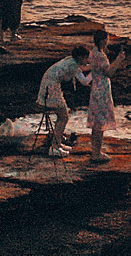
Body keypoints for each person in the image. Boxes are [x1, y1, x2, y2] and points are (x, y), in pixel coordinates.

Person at [37, 43, 86, 156]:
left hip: (49, 85)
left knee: (62, 116)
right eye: (86, 58)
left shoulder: (70, 61)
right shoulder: (73, 65)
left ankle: (57, 143)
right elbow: (84, 81)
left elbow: (82, 68)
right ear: (81, 57)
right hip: (51, 88)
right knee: (63, 117)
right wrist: (96, 71)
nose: (87, 60)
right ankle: (54, 147)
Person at [82, 30, 118, 160]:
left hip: (96, 88)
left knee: (96, 122)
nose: (108, 41)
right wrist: (119, 60)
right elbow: (109, 73)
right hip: (102, 90)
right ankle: (96, 153)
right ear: (103, 41)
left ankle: (95, 151)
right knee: (100, 123)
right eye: (107, 39)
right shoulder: (100, 56)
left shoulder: (93, 52)